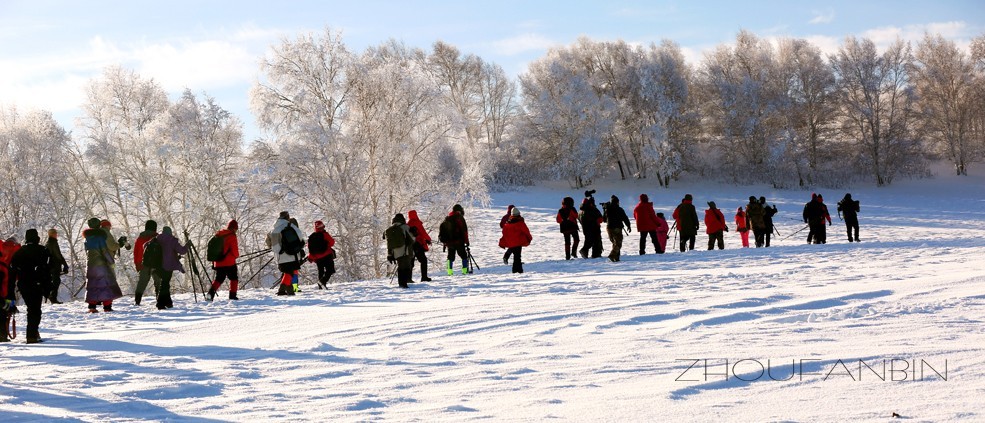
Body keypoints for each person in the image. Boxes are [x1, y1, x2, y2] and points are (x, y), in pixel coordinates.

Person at [10, 229, 51, 343]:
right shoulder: (43, 250)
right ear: (37, 238)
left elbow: (12, 271)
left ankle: (33, 333)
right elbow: (47, 270)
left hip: (24, 284)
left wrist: (11, 290)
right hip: (37, 284)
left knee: (31, 308)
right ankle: (32, 335)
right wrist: (48, 288)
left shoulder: (19, 252)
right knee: (35, 310)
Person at [84, 219, 123, 313]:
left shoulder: (86, 238)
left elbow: (87, 252)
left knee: (92, 285)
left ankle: (92, 306)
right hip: (101, 265)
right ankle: (107, 306)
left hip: (90, 264)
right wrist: (111, 262)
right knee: (105, 284)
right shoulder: (100, 237)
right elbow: (104, 251)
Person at [267, 212, 306, 295]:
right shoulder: (291, 226)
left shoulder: (275, 229)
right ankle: (282, 290)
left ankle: (288, 290)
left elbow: (275, 246)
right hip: (293, 254)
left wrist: (280, 251)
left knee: (287, 272)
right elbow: (300, 237)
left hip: (281, 256)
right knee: (290, 273)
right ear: (287, 217)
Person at [154, 227, 189, 310]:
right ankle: (160, 304)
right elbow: (182, 251)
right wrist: (187, 245)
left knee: (165, 283)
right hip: (168, 265)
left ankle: (168, 303)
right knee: (165, 284)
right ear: (170, 232)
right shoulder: (171, 240)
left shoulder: (157, 239)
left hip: (157, 265)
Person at [208, 219, 241, 301]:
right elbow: (234, 250)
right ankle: (232, 296)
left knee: (219, 279)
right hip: (229, 263)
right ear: (234, 228)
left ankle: (210, 295)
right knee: (234, 278)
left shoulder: (219, 234)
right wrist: (237, 256)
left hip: (218, 262)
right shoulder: (232, 236)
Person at [132, 220, 161, 306]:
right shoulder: (158, 238)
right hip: (157, 264)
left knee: (142, 283)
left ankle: (137, 301)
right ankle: (159, 300)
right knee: (159, 283)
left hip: (143, 264)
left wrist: (137, 264)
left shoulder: (140, 238)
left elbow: (136, 252)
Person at [385, 213, 415, 288]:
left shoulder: (391, 228)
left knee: (400, 266)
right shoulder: (405, 227)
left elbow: (389, 242)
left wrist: (390, 254)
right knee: (406, 266)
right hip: (405, 250)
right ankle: (403, 283)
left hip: (395, 251)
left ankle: (401, 283)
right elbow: (412, 239)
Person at [439, 204, 470, 275]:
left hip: (449, 242)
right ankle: (465, 271)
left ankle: (449, 272)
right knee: (464, 256)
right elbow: (464, 231)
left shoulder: (448, 218)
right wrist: (467, 241)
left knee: (450, 257)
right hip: (459, 241)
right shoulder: (460, 218)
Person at [499, 207, 533, 273]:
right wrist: (529, 238)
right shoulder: (520, 223)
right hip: (518, 242)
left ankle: (515, 270)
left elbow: (504, 233)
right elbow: (526, 231)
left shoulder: (507, 223)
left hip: (511, 242)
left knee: (516, 256)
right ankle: (518, 271)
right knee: (517, 257)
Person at [0, 237, 20, 342]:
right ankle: (3, 335)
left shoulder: (2, 248)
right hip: (7, 290)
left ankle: (3, 335)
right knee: (5, 311)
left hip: (4, 289)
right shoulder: (15, 252)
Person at [307, 220, 337, 287]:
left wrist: (311, 257)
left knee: (321, 271)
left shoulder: (311, 237)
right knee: (330, 270)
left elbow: (310, 248)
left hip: (317, 258)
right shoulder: (324, 234)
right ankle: (322, 282)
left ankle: (321, 286)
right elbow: (332, 243)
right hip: (327, 255)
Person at [603, 195, 631, 262]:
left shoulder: (607, 209)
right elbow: (625, 218)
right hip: (617, 227)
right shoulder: (619, 209)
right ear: (617, 202)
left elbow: (604, 219)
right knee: (618, 243)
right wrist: (628, 225)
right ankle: (612, 255)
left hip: (609, 228)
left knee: (614, 243)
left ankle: (616, 257)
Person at [405, 210, 432, 282]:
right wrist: (428, 239)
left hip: (410, 244)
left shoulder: (408, 224)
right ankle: (424, 277)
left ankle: (408, 278)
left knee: (411, 262)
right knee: (423, 260)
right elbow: (423, 232)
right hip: (417, 244)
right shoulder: (417, 222)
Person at [44, 229, 69, 304]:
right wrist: (65, 264)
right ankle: (52, 297)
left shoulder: (48, 243)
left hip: (50, 265)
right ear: (52, 234)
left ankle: (51, 296)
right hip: (55, 265)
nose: (56, 234)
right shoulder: (53, 243)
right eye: (55, 233)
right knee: (56, 281)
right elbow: (58, 254)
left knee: (54, 281)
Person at [579, 191, 604, 258]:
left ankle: (585, 253)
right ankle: (594, 254)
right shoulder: (593, 210)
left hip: (585, 228)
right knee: (595, 241)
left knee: (588, 241)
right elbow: (600, 219)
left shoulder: (581, 211)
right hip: (594, 228)